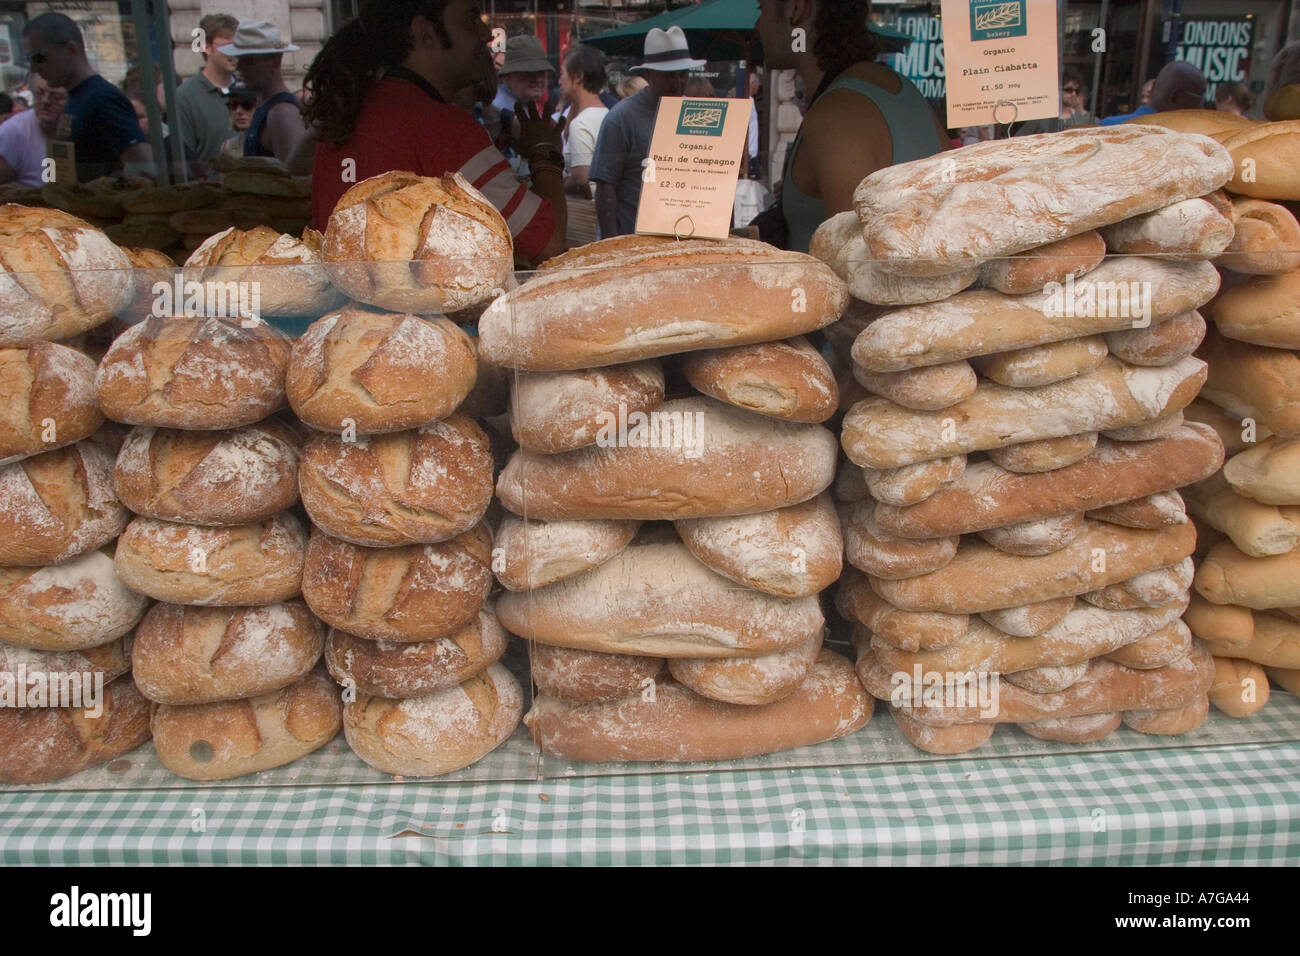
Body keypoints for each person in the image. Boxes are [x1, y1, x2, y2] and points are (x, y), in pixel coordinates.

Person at [303, 0, 565, 265]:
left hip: (344, 304)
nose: (486, 34)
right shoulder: (443, 128)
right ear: (425, 32)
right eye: (471, 18)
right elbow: (549, 245)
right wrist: (545, 151)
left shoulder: (346, 117)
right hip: (413, 307)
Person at [754, 0, 948, 253]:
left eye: (761, 9)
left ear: (796, 10)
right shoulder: (898, 88)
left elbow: (859, 266)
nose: (757, 26)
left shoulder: (835, 115)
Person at [590, 26, 702, 239]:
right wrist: (613, 245)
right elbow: (606, 188)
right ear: (649, 74)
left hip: (682, 240)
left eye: (682, 74)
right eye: (669, 76)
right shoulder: (620, 118)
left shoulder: (695, 114)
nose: (678, 82)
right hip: (634, 240)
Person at [21, 12, 153, 181]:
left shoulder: (102, 99)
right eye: (29, 59)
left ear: (70, 50)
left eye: (39, 57)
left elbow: (144, 167)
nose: (34, 68)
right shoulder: (77, 97)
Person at [219, 20, 307, 166]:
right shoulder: (268, 108)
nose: (239, 66)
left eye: (249, 60)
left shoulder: (282, 113)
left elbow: (297, 182)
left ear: (275, 61)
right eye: (238, 59)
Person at [176, 13, 240, 162]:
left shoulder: (248, 89)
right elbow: (184, 158)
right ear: (207, 48)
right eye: (228, 47)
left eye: (238, 46)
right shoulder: (184, 96)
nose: (235, 53)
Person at [560, 45, 609, 198]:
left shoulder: (581, 124)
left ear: (578, 76)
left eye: (563, 74)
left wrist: (559, 183)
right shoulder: (608, 114)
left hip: (585, 216)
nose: (559, 81)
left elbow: (581, 179)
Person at [0, 73, 64, 186]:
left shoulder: (82, 125)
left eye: (55, 96)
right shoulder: (13, 131)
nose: (45, 101)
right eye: (39, 93)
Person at [1101, 61, 1206, 125]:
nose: (1200, 108)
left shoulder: (1108, 127)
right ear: (1174, 97)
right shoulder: (1185, 141)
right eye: (1198, 100)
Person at [493, 35, 553, 118]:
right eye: (528, 71)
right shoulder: (501, 111)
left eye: (541, 72)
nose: (537, 78)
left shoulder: (523, 104)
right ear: (507, 77)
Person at [218, 86, 256, 158]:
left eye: (247, 105)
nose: (238, 111)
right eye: (233, 105)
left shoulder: (275, 144)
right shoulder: (228, 147)